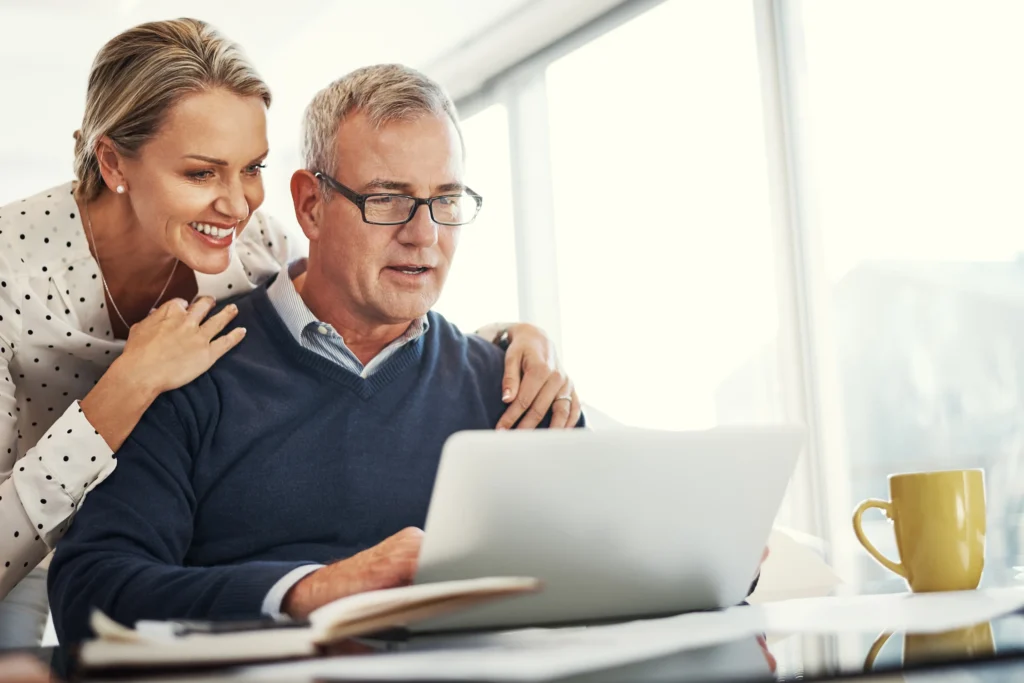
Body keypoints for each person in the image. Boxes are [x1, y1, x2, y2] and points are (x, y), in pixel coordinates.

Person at [0, 19, 581, 647]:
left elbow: (363, 297)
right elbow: (94, 589)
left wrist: (507, 342)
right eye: (386, 198)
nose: (237, 203)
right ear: (113, 161)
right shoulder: (145, 355)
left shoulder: (250, 247)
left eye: (252, 168)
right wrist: (129, 387)